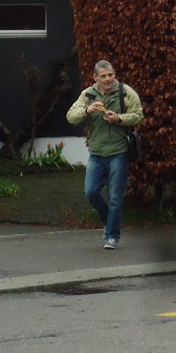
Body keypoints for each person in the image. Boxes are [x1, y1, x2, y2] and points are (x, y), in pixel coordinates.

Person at [65, 60, 144, 249]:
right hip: (96, 153)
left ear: (114, 73)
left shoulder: (125, 92)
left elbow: (138, 115)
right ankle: (109, 222)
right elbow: (70, 116)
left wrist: (119, 118)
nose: (108, 79)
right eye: (103, 76)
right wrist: (86, 110)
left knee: (115, 196)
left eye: (110, 74)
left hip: (119, 152)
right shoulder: (88, 94)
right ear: (95, 77)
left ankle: (112, 236)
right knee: (91, 192)